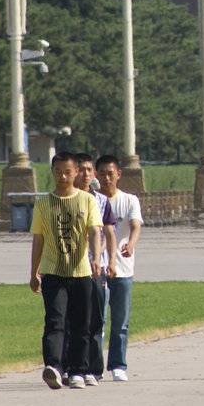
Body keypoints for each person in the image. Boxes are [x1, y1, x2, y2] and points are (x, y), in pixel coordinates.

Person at [30, 152, 104, 390]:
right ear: (52, 173)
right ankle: (54, 366)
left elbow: (94, 231)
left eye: (67, 172)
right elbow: (38, 239)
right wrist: (34, 272)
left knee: (82, 324)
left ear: (76, 173)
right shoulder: (43, 204)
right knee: (55, 321)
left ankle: (79, 371)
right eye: (58, 171)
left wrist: (96, 258)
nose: (62, 176)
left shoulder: (87, 201)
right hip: (53, 272)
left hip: (81, 271)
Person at [95, 155, 142, 382]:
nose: (106, 178)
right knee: (98, 319)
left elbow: (135, 226)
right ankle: (94, 365)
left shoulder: (129, 200)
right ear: (96, 175)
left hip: (123, 269)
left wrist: (131, 244)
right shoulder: (91, 200)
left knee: (120, 321)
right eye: (102, 173)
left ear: (118, 174)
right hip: (98, 268)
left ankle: (118, 364)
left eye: (110, 173)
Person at [73, 153, 116, 386]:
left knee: (96, 319)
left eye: (90, 169)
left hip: (95, 267)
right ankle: (74, 366)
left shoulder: (100, 201)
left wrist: (111, 261)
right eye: (82, 169)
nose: (87, 174)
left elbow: (108, 231)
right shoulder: (66, 199)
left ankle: (93, 367)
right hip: (72, 266)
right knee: (74, 319)